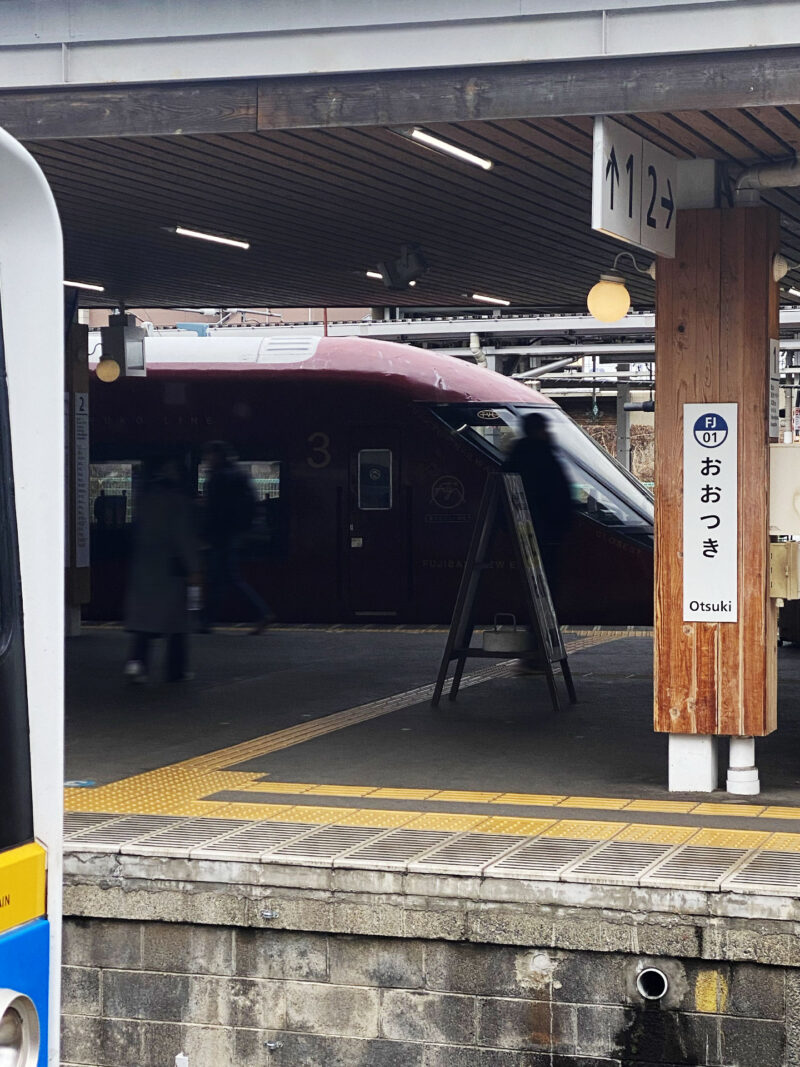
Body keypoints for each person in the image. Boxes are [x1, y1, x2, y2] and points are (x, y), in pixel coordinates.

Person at [123, 457, 200, 683]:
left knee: (144, 622)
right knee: (176, 624)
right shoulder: (178, 501)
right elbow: (183, 537)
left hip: (144, 566)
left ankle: (137, 663)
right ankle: (176, 670)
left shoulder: (144, 498)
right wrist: (194, 567)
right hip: (170, 569)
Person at [200, 441, 274, 634]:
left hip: (221, 536)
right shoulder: (237, 475)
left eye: (209, 455)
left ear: (217, 456)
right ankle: (206, 620)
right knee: (221, 578)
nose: (207, 459)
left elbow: (214, 511)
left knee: (227, 578)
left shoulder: (220, 477)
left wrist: (205, 533)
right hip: (232, 534)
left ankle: (261, 613)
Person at [503, 412, 573, 597]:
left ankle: (536, 619)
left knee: (530, 580)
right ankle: (544, 621)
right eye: (545, 428)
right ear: (539, 430)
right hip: (546, 530)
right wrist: (564, 523)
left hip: (524, 529)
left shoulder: (515, 457)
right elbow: (556, 493)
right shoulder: (544, 454)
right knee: (546, 579)